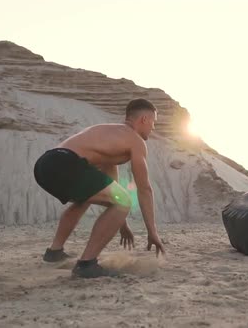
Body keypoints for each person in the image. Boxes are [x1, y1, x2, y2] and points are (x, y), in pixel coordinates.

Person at [33, 98, 165, 278]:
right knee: (125, 201)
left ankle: (54, 252)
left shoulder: (109, 135)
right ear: (144, 119)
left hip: (45, 165)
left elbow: (110, 188)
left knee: (85, 199)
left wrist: (122, 223)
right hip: (65, 164)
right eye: (153, 122)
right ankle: (86, 264)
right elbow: (144, 189)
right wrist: (153, 232)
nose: (153, 128)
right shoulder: (135, 141)